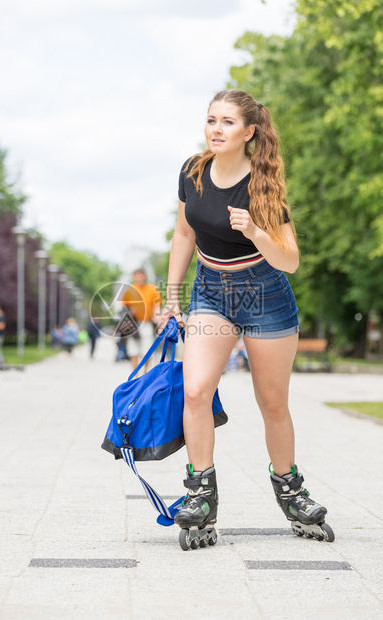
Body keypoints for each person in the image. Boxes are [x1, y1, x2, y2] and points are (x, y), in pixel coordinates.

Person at [160, 89, 331, 539]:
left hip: (264, 293)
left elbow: (290, 260)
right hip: (210, 291)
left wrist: (255, 230)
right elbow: (182, 233)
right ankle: (200, 495)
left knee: (272, 403)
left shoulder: (263, 184)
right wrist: (171, 297)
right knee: (195, 392)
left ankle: (292, 491)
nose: (216, 129)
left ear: (249, 132)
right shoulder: (192, 171)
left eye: (227, 122)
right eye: (211, 120)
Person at [121, 268, 162, 375]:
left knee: (147, 351)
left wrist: (160, 321)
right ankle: (135, 376)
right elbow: (124, 308)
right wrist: (130, 312)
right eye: (137, 275)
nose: (139, 277)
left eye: (141, 275)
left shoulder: (153, 289)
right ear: (133, 277)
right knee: (133, 351)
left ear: (145, 276)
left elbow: (156, 307)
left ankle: (144, 373)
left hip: (147, 323)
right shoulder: (129, 290)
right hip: (133, 324)